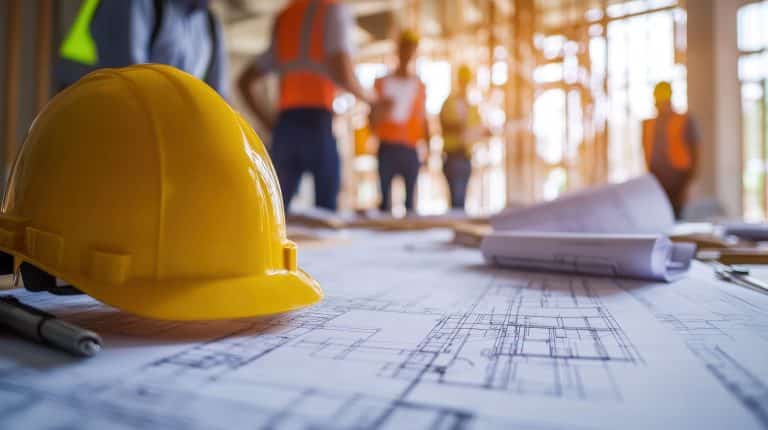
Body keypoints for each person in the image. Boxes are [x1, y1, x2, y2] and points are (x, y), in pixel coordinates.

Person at [238, 0, 377, 212]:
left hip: (286, 125)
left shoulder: (286, 16)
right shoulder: (332, 8)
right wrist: (372, 99)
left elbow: (244, 81)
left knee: (276, 209)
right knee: (326, 211)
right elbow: (342, 70)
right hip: (317, 123)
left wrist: (269, 122)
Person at [56, 0, 228, 97]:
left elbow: (218, 99)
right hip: (97, 119)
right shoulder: (134, 3)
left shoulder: (210, 23)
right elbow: (129, 86)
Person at [371, 30, 429, 214]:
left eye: (412, 49)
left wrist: (428, 150)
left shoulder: (419, 85)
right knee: (385, 205)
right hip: (387, 147)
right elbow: (371, 120)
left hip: (410, 148)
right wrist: (381, 110)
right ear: (398, 50)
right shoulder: (382, 83)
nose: (408, 54)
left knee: (410, 206)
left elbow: (424, 119)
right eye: (405, 48)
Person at [641, 82, 699, 219]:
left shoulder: (684, 120)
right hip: (656, 180)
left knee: (676, 217)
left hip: (679, 180)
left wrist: (689, 181)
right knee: (658, 218)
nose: (659, 106)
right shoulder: (648, 124)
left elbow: (696, 150)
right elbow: (645, 150)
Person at [439, 64, 485, 210]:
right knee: (457, 200)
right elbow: (446, 125)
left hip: (466, 156)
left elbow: (477, 130)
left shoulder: (471, 107)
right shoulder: (450, 103)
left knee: (461, 201)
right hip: (453, 155)